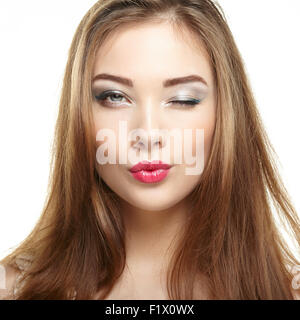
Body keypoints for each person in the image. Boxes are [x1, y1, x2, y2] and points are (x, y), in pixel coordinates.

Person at [0, 0, 299, 300]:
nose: (147, 133)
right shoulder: (11, 290)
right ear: (80, 114)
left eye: (182, 99)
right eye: (115, 97)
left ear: (227, 114)